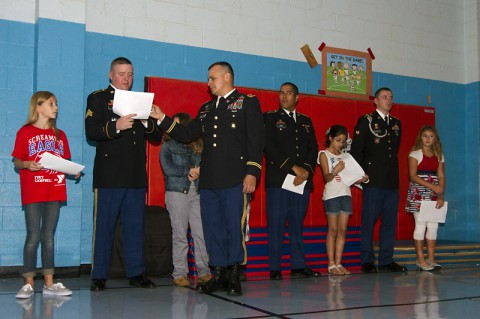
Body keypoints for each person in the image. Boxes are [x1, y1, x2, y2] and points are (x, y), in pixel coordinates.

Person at [151, 61, 264, 296]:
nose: (209, 83)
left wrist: (252, 172)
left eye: (212, 78)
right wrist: (162, 118)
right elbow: (186, 134)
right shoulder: (206, 109)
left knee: (234, 227)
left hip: (235, 179)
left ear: (227, 77)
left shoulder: (247, 103)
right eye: (209, 78)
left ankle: (234, 274)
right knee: (213, 229)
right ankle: (219, 273)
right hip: (210, 182)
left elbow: (256, 140)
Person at [85, 57, 162, 291]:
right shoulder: (98, 98)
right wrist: (116, 126)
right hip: (109, 175)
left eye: (129, 74)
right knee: (105, 226)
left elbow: (156, 137)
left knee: (134, 226)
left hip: (135, 175)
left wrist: (148, 121)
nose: (126, 78)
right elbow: (91, 131)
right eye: (121, 74)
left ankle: (136, 273)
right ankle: (99, 275)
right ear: (111, 75)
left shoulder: (140, 101)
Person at [12, 91, 76, 299]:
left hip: (54, 190)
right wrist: (28, 165)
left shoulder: (61, 135)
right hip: (33, 190)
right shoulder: (25, 132)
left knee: (48, 237)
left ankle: (49, 284)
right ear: (38, 107)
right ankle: (28, 283)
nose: (55, 107)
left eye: (56, 103)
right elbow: (17, 162)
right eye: (51, 104)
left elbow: (65, 161)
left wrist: (72, 170)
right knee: (33, 236)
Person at [263, 82, 321, 280]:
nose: (284, 96)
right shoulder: (270, 117)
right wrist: (292, 167)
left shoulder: (306, 121)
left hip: (301, 181)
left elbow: (313, 149)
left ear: (297, 97)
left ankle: (298, 265)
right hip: (279, 180)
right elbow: (269, 147)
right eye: (281, 93)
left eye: (289, 93)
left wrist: (305, 171)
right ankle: (275, 268)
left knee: (297, 225)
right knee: (276, 225)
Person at [350, 87, 408, 273]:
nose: (388, 101)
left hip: (391, 181)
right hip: (373, 181)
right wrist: (359, 175)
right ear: (375, 101)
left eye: (391, 97)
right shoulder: (366, 121)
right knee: (368, 222)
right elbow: (356, 151)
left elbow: (393, 152)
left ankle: (386, 260)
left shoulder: (396, 123)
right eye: (384, 97)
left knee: (389, 222)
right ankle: (367, 260)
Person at [160, 112, 211, 287]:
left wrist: (200, 171)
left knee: (201, 233)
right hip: (176, 193)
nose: (173, 128)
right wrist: (190, 171)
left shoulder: (199, 146)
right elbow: (168, 169)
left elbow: (208, 165)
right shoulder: (167, 146)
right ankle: (180, 273)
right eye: (171, 124)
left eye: (177, 124)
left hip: (196, 192)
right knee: (180, 234)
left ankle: (204, 271)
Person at [318, 125, 368, 275]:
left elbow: (351, 179)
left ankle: (339, 263)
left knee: (342, 230)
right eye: (338, 140)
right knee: (333, 229)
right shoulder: (323, 154)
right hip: (332, 195)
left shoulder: (346, 157)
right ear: (330, 138)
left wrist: (361, 179)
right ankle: (331, 264)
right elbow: (327, 177)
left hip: (346, 194)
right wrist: (335, 170)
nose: (340, 144)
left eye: (343, 141)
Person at [405, 125, 445, 271]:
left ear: (435, 139)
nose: (428, 139)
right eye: (425, 136)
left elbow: (440, 175)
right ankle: (420, 258)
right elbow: (413, 175)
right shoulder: (414, 154)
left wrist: (440, 194)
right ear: (420, 138)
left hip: (434, 193)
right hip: (419, 191)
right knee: (420, 224)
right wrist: (431, 186)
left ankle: (431, 258)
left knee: (433, 226)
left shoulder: (439, 155)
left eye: (431, 136)